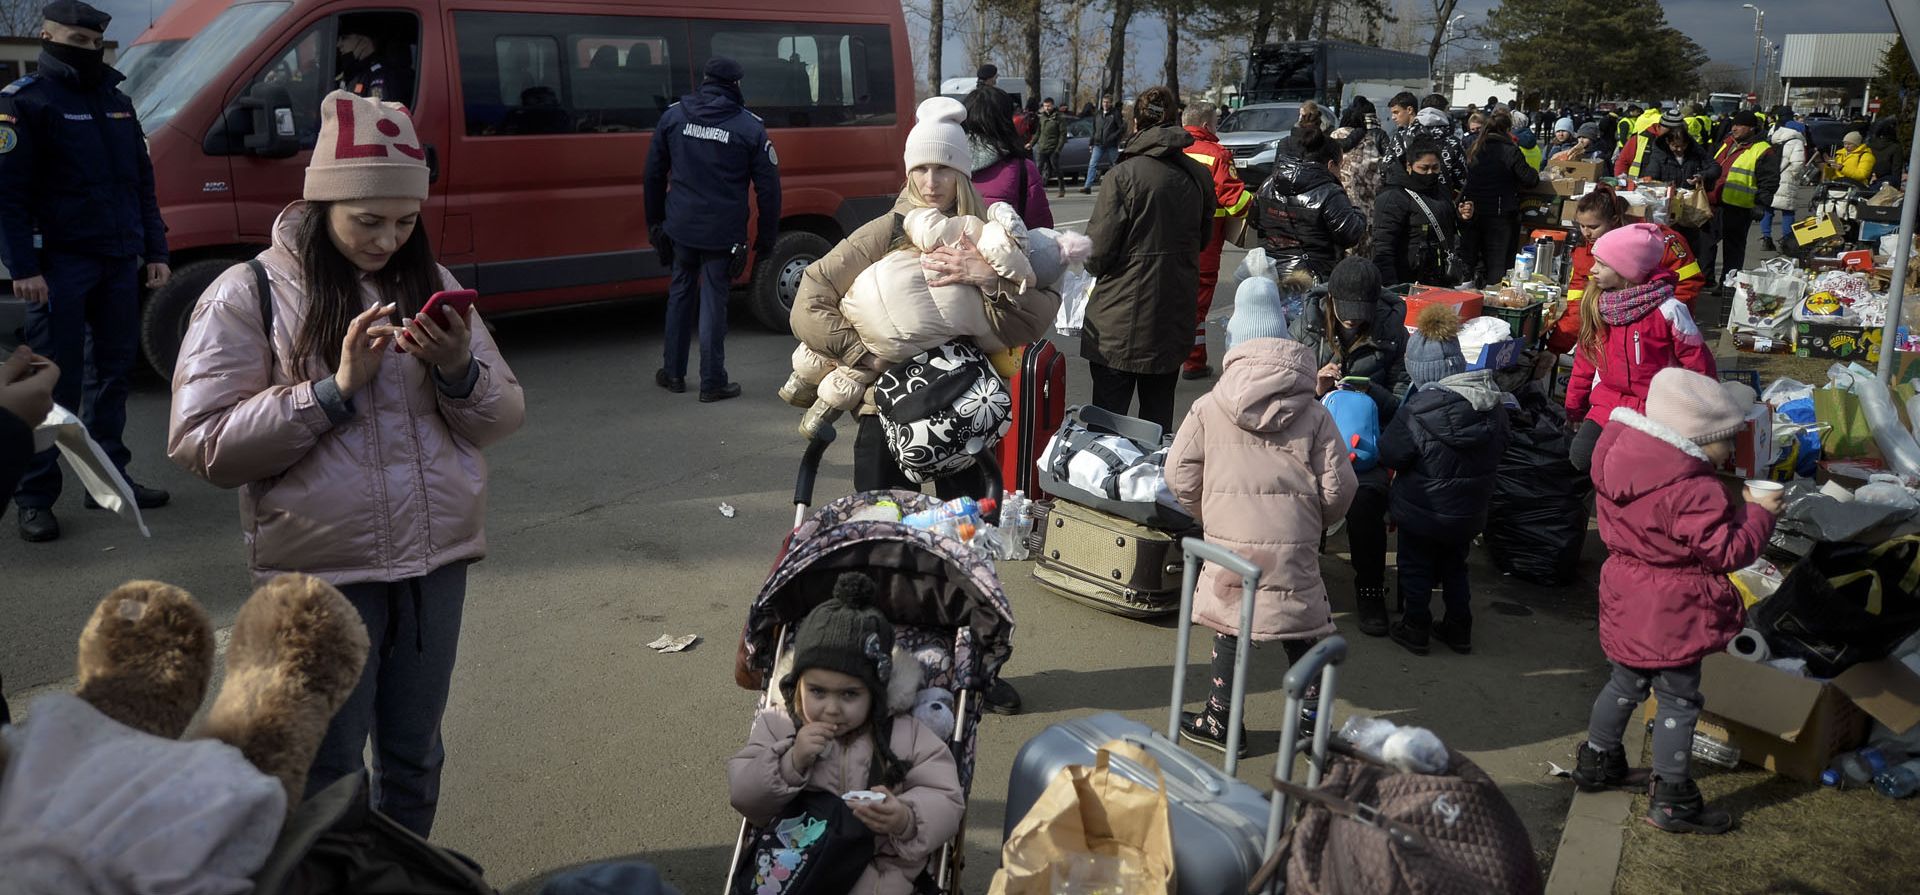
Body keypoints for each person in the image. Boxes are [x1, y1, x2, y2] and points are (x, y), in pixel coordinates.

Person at [167, 91, 527, 836]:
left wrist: (460, 366)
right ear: (323, 201)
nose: (388, 240)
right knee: (329, 768)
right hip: (322, 573)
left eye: (404, 221)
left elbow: (501, 417)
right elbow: (202, 443)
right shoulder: (247, 292)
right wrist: (331, 391)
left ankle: (405, 875)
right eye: (368, 220)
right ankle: (336, 878)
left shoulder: (429, 281)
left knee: (415, 751)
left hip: (435, 564)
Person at [790, 96, 1057, 715]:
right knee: (879, 545)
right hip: (882, 420)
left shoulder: (988, 232)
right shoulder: (884, 232)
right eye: (919, 170)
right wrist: (866, 358)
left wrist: (987, 280)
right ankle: (873, 667)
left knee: (970, 546)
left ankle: (977, 668)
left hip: (962, 412)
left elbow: (1032, 319)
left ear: (962, 172)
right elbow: (810, 296)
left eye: (943, 170)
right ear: (907, 173)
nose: (930, 182)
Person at [1572, 368, 1780, 835]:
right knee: (1679, 700)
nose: (1729, 451)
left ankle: (1597, 762)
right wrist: (1757, 516)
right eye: (1726, 441)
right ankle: (1672, 798)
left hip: (1626, 591)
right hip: (1673, 605)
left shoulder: (1620, 454)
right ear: (1699, 438)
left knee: (1623, 683)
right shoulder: (1693, 488)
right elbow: (1727, 552)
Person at [0, 0, 173, 542]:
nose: (87, 51)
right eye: (75, 42)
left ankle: (108, 479)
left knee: (113, 375)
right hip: (58, 267)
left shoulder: (116, 101)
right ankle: (33, 497)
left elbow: (141, 185)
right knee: (53, 384)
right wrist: (22, 266)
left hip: (119, 261)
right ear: (48, 37)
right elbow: (8, 194)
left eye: (94, 43)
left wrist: (157, 251)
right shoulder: (26, 103)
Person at [1166, 280, 1357, 754]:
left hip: (1230, 540)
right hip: (1293, 540)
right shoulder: (1313, 411)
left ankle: (1222, 719)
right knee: (1304, 625)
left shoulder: (1210, 406)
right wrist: (1314, 522)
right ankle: (1311, 724)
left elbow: (1178, 473)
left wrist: (1207, 513)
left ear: (1234, 342)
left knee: (1232, 625)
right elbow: (1341, 485)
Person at [727, 573, 965, 894]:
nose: (832, 708)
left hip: (876, 873)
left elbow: (946, 797)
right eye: (818, 691)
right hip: (797, 865)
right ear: (797, 685)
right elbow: (745, 797)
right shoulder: (780, 724)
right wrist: (791, 762)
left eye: (850, 695)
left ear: (876, 694)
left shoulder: (907, 734)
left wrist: (906, 819)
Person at [644, 57, 779, 403]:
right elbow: (768, 189)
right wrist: (766, 239)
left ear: (705, 80)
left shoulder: (674, 116)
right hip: (722, 234)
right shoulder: (749, 127)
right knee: (713, 304)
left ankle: (673, 373)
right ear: (735, 85)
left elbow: (654, 175)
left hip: (681, 228)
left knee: (679, 295)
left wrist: (654, 223)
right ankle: (712, 381)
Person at [1080, 86, 1212, 431]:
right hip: (1172, 317)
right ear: (1175, 120)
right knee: (1157, 429)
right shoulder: (1198, 175)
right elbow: (1204, 239)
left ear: (1136, 121)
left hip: (1118, 323)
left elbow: (1096, 253)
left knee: (1108, 434)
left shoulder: (1123, 175)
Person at [1381, 304, 1509, 656]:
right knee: (1455, 565)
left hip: (1423, 509)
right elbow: (1503, 446)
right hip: (1469, 512)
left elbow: (1390, 453)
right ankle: (1459, 626)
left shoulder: (1418, 411)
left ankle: (1416, 624)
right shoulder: (1491, 402)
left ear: (1420, 372)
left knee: (1415, 566)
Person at [1289, 256, 1408, 635]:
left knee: (1366, 496)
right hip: (1307, 436)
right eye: (1346, 311)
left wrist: (1374, 393)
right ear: (1331, 300)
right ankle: (1295, 583)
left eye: (1362, 312)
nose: (1353, 320)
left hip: (1364, 443)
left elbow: (1404, 399)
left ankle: (1370, 587)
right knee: (1287, 490)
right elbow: (1283, 386)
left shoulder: (1391, 331)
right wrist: (1315, 386)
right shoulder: (1306, 326)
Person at [1564, 223, 1715, 472]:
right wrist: (1574, 408)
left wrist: (1703, 413)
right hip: (1609, 403)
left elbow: (1697, 362)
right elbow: (1584, 363)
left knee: (1633, 467)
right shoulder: (1597, 305)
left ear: (1628, 270)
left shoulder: (1669, 310)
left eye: (1602, 264)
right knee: (1581, 457)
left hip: (1655, 405)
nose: (1592, 270)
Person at [1548, 186, 1705, 354]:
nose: (1586, 233)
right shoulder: (1584, 253)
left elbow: (1688, 284)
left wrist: (1661, 325)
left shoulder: (1656, 240)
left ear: (1614, 220)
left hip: (1656, 337)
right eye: (1581, 226)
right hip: (1611, 338)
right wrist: (1555, 347)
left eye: (1593, 227)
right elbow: (1578, 307)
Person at [1180, 100, 1250, 380]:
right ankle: (1193, 364)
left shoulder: (1171, 149)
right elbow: (1235, 201)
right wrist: (1260, 207)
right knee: (1196, 304)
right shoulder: (1216, 155)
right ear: (1207, 125)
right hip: (1205, 239)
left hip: (1169, 238)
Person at [1252, 128, 1365, 282]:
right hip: (1313, 276)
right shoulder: (1330, 192)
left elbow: (1253, 219)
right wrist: (1358, 213)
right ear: (1331, 165)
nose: (1340, 173)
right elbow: (1350, 234)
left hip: (1270, 272)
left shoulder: (1269, 183)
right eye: (1340, 166)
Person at [1371, 139, 1471, 287]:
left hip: (1441, 279)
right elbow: (1383, 248)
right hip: (1408, 281)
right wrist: (1392, 290)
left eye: (1435, 167)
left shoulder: (1441, 189)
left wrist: (1463, 218)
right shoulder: (1393, 197)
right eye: (1424, 168)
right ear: (1409, 166)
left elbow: (1450, 229)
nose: (1430, 173)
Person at [1707, 110, 1778, 311]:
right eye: (1734, 125)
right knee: (1707, 243)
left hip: (1739, 206)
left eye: (1739, 125)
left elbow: (1769, 181)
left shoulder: (1763, 150)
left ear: (1751, 128)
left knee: (1733, 249)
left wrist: (1760, 204)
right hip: (1715, 201)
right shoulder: (1728, 142)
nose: (1734, 128)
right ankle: (1707, 279)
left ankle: (1727, 285)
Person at [1458, 112, 1539, 286]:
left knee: (1471, 259)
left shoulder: (1474, 146)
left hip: (1472, 211)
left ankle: (1468, 292)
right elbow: (1530, 179)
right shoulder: (1509, 150)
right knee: (1496, 264)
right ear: (1508, 129)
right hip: (1499, 213)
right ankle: (1492, 299)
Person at [963, 86, 1051, 227]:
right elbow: (1040, 227)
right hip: (1005, 247)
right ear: (1006, 120)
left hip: (953, 247)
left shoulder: (947, 165)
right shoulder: (1023, 168)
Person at [1639, 111, 1719, 265]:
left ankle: (1698, 278)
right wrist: (1653, 182)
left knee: (1695, 246)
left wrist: (1702, 175)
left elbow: (1715, 167)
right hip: (1669, 208)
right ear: (1668, 142)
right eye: (1674, 146)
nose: (1679, 150)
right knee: (1670, 246)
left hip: (1691, 208)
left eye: (1682, 146)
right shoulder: (1659, 152)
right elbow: (1652, 173)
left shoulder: (1696, 151)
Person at [1328, 104, 1388, 254]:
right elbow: (1377, 176)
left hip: (1335, 206)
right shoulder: (1367, 141)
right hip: (1363, 209)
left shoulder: (1331, 139)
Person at [1388, 94, 1467, 197]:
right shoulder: (1453, 142)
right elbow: (1462, 179)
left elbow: (1387, 168)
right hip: (1442, 201)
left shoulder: (1400, 138)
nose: (1393, 117)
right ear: (1444, 112)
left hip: (1408, 199)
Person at [1760, 116, 1813, 253]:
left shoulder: (1774, 139)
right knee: (1788, 211)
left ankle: (1766, 238)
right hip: (1787, 179)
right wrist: (1796, 177)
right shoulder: (1796, 142)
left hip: (1771, 178)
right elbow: (1798, 163)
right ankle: (1786, 241)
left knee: (1768, 210)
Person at [335, 31, 413, 105]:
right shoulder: (352, 72)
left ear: (364, 41)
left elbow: (378, 113)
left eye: (345, 38)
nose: (339, 44)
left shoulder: (379, 74)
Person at [1082, 93, 1124, 193]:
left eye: (1107, 102)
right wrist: (1091, 142)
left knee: (1115, 165)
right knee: (1092, 164)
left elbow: (1122, 128)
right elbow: (1094, 129)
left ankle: (1122, 186)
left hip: (1111, 144)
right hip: (1098, 144)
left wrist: (1113, 137)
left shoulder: (1115, 114)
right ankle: (1087, 186)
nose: (1105, 104)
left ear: (1111, 103)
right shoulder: (1098, 114)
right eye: (1104, 102)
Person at [1612, 106, 1668, 178]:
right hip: (1631, 145)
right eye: (1637, 111)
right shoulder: (1626, 122)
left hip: (1635, 144)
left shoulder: (1640, 118)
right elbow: (1623, 137)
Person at [1032, 97, 1066, 197]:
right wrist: (1031, 143)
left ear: (1053, 105)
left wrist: (1058, 149)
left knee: (1056, 168)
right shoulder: (1042, 117)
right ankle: (1036, 190)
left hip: (1053, 148)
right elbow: (1038, 133)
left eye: (1049, 106)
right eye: (1045, 106)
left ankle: (1061, 189)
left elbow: (1063, 135)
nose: (1047, 108)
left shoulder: (1059, 117)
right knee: (1038, 169)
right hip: (1042, 147)